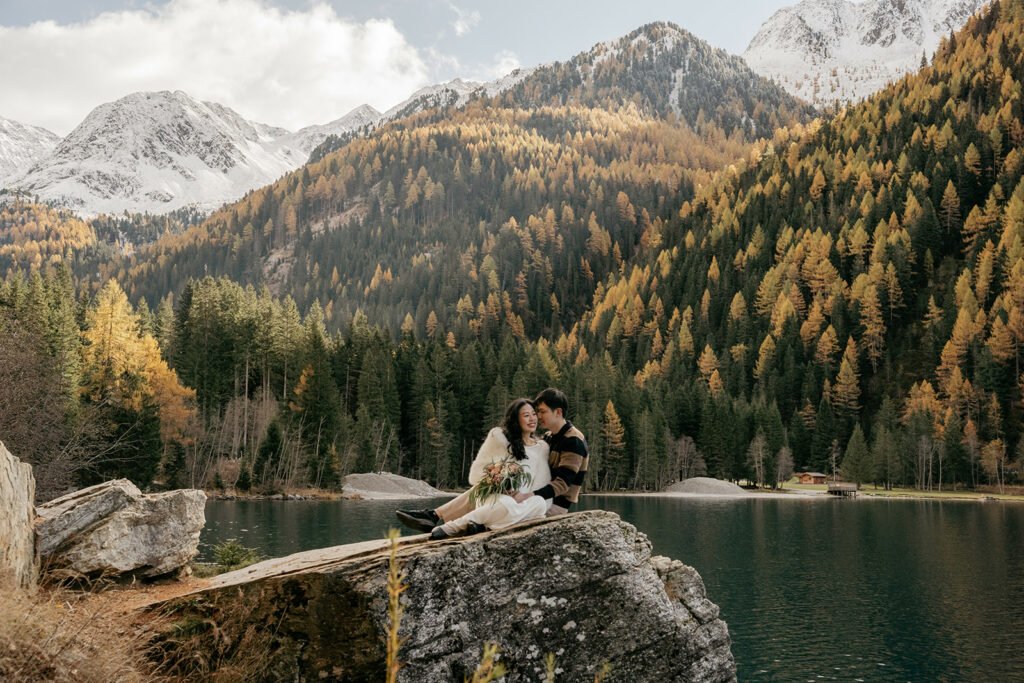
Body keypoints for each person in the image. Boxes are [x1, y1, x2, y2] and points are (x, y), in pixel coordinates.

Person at [396, 387, 589, 534]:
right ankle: (435, 515)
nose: (538, 417)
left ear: (559, 412)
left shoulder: (573, 440)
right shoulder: (549, 437)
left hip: (553, 505)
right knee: (488, 487)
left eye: (542, 412)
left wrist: (527, 495)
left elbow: (562, 485)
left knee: (507, 503)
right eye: (535, 412)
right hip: (537, 493)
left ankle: (466, 524)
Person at [428, 397, 551, 539]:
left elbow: (540, 483)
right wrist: (498, 481)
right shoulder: (499, 437)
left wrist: (523, 496)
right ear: (516, 419)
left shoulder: (542, 448)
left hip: (521, 501)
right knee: (506, 504)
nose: (532, 419)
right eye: (526, 415)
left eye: (534, 414)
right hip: (495, 497)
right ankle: (453, 527)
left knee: (540, 503)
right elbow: (476, 474)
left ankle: (484, 524)